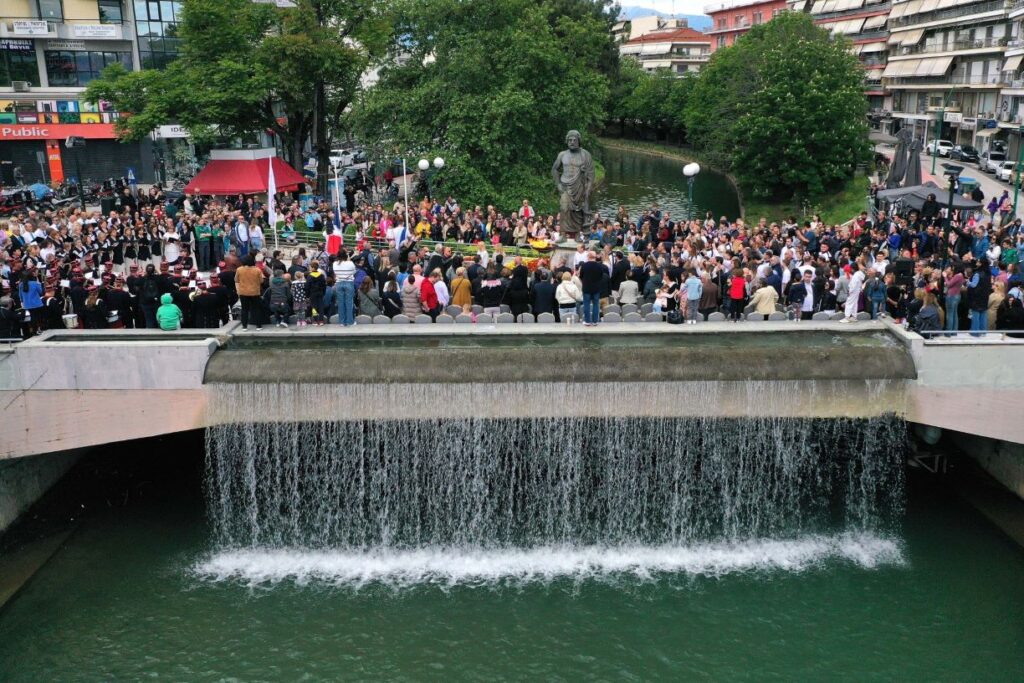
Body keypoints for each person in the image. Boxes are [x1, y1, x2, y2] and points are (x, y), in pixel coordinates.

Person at [235, 253, 264, 331]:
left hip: (243, 292)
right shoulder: (257, 270)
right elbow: (261, 281)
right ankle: (258, 326)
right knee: (256, 309)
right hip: (255, 292)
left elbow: (236, 280)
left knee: (244, 309)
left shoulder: (239, 269)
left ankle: (244, 326)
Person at [578, 251, 604, 326]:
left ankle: (587, 321)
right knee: (596, 305)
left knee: (586, 305)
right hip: (596, 288)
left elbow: (581, 276)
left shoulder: (584, 265)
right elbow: (601, 276)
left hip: (586, 288)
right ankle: (595, 321)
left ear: (589, 256)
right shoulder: (599, 266)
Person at [333, 250, 357, 326]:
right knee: (349, 303)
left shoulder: (334, 263)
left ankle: (342, 322)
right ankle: (350, 321)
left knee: (340, 303)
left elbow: (335, 273)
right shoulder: (350, 263)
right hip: (349, 283)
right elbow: (354, 271)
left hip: (339, 283)